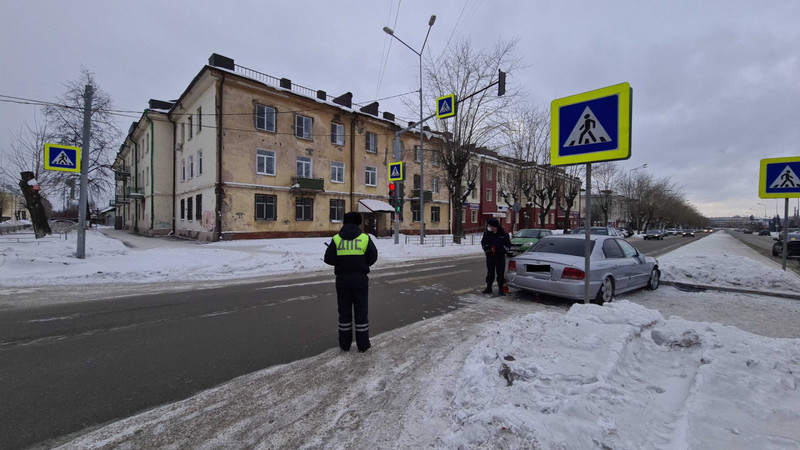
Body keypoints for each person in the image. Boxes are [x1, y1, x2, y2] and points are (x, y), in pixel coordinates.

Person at [324, 211, 378, 352]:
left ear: (344, 222)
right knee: (361, 311)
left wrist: (342, 261)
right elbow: (373, 257)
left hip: (342, 281)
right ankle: (363, 345)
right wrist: (361, 264)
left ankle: (345, 344)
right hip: (360, 280)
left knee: (344, 312)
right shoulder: (365, 238)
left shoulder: (336, 239)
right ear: (358, 223)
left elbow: (328, 259)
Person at [481, 217, 511, 295]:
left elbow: (508, 244)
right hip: (490, 256)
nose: (489, 228)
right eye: (489, 226)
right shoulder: (487, 234)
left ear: (495, 227)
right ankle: (489, 287)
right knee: (490, 273)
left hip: (500, 257)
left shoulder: (503, 234)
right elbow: (483, 243)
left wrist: (502, 249)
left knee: (500, 273)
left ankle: (501, 289)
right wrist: (488, 249)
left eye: (490, 226)